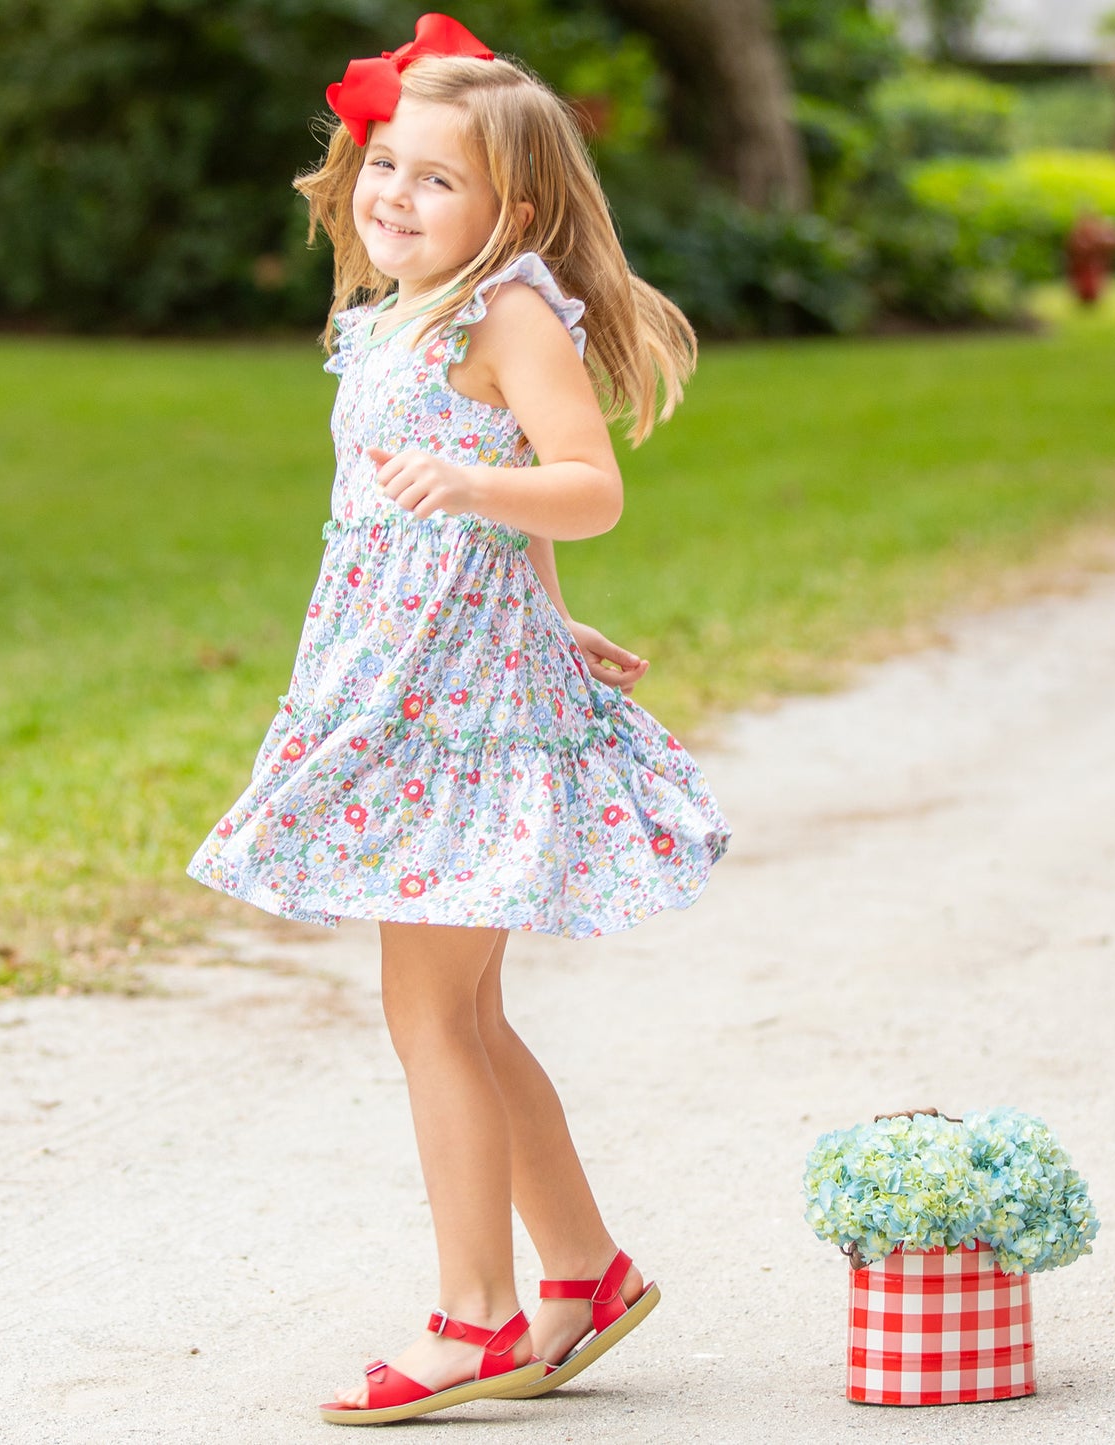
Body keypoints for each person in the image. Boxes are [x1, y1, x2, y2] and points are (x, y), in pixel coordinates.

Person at [187, 13, 731, 1426]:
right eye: (388, 164)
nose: (393, 194)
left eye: (439, 179)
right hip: (405, 678)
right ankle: (584, 1272)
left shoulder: (508, 312)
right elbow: (484, 510)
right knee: (468, 1015)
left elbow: (580, 484)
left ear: (516, 213)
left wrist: (484, 503)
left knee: (428, 1013)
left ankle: (473, 1314)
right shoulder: (386, 319)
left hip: (458, 711)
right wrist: (541, 608)